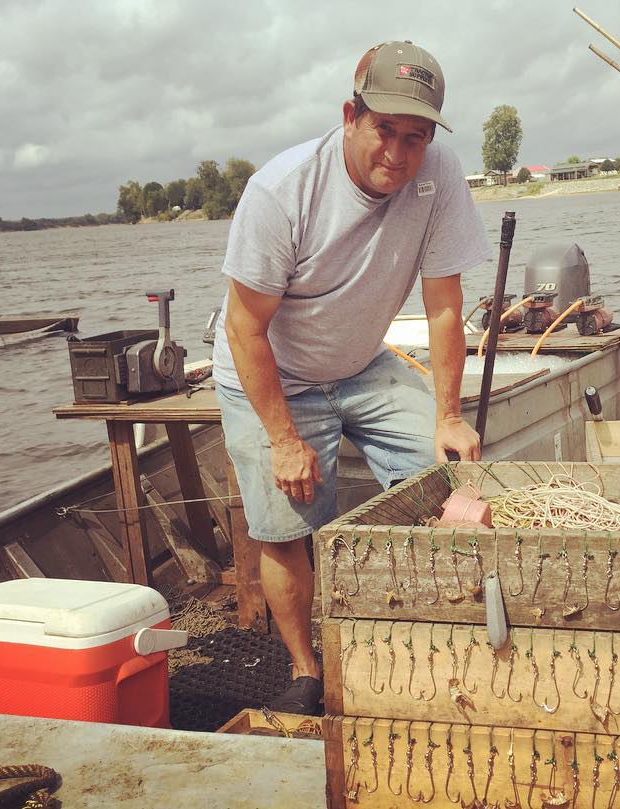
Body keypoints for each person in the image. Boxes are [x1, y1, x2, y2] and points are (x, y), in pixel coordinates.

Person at [211, 40, 491, 715]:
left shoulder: (439, 174)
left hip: (362, 363)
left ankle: (442, 626)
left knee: (448, 471)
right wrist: (282, 436)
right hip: (271, 374)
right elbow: (244, 327)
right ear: (350, 114)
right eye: (384, 130)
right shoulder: (282, 192)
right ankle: (308, 669)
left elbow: (445, 304)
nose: (398, 152)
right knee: (286, 523)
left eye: (415, 137)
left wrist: (448, 414)